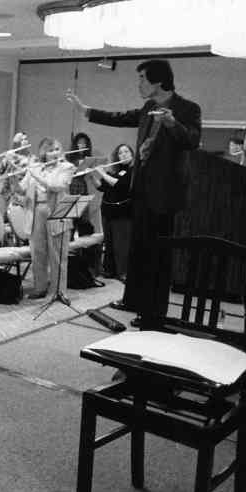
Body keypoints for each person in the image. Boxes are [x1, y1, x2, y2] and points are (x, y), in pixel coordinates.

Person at [67, 59, 202, 324]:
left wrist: (173, 123)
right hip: (140, 192)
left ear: (159, 81)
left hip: (165, 195)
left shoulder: (187, 108)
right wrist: (87, 111)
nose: (138, 84)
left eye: (142, 78)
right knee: (138, 251)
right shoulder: (149, 106)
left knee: (158, 255)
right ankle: (134, 300)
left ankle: (154, 311)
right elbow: (121, 117)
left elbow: (192, 141)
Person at [21, 138, 77, 300]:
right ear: (43, 152)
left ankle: (58, 291)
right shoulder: (36, 168)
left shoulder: (67, 167)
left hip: (56, 210)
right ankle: (40, 288)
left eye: (57, 149)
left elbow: (56, 185)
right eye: (50, 150)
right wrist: (12, 178)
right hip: (36, 210)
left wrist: (35, 173)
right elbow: (22, 189)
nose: (54, 153)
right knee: (38, 252)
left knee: (57, 254)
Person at [96, 144, 134, 280]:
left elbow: (119, 185)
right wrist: (90, 175)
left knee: (121, 244)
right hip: (108, 211)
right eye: (120, 153)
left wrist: (102, 173)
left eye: (126, 152)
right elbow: (101, 187)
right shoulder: (116, 171)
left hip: (122, 212)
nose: (123, 155)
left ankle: (123, 272)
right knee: (110, 242)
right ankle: (109, 270)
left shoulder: (133, 171)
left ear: (132, 154)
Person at [0, 131, 32, 207]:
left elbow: (22, 173)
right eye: (20, 140)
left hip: (19, 194)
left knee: (15, 217)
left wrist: (11, 162)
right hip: (6, 193)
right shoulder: (10, 155)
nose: (24, 141)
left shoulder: (29, 158)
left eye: (25, 139)